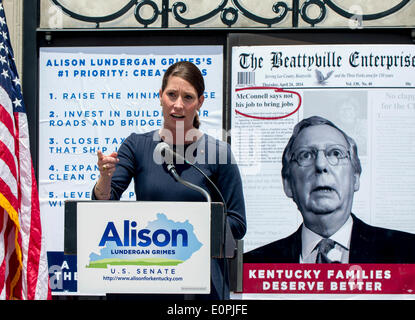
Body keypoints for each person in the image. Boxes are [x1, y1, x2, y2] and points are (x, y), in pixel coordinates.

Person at [93, 61, 246, 299]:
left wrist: (186, 229)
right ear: (160, 96)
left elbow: (237, 222)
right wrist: (104, 178)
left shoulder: (219, 153)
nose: (178, 105)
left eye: (188, 97)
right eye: (171, 95)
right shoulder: (137, 145)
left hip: (200, 285)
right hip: (145, 281)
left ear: (200, 102)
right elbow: (104, 202)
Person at [244, 116, 415, 264]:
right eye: (305, 155)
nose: (320, 165)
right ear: (288, 184)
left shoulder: (408, 253)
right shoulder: (249, 265)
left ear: (355, 178)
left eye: (335, 153)